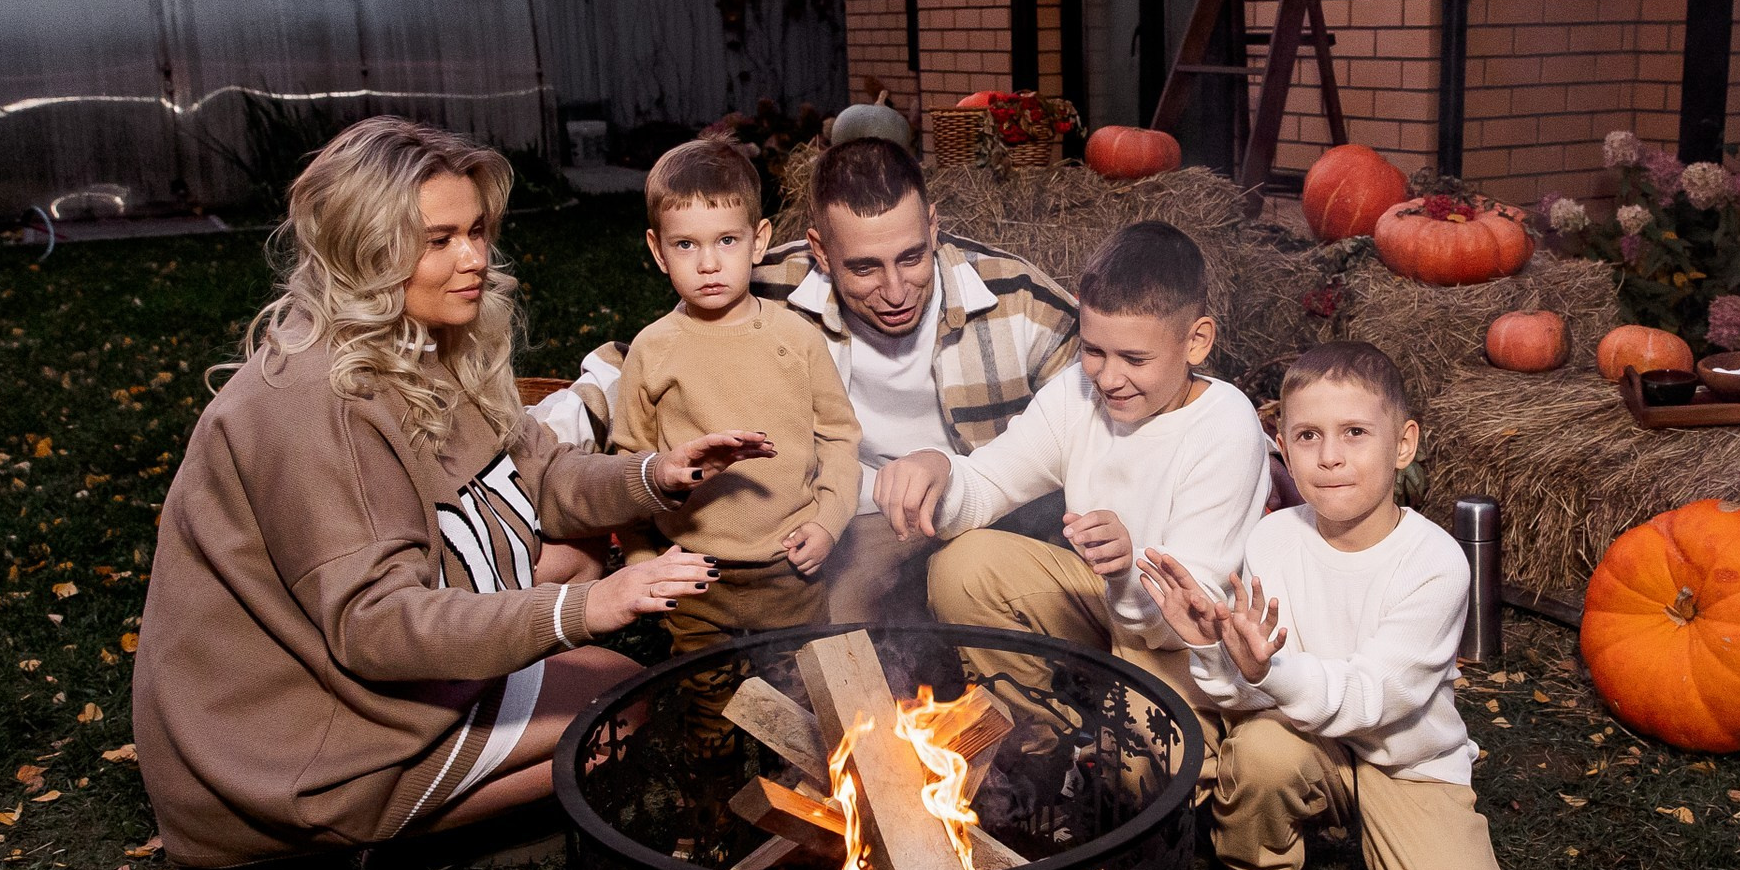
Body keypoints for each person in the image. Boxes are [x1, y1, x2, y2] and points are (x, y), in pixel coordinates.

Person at [134, 117, 773, 870]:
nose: (473, 257)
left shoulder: (425, 339)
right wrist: (581, 608)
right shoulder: (306, 404)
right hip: (292, 730)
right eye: (438, 239)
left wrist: (655, 473)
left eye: (475, 231)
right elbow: (373, 625)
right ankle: (310, 854)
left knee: (586, 601)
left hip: (361, 670)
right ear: (366, 248)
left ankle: (420, 815)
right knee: (614, 700)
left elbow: (543, 479)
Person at [531, 136, 1080, 623]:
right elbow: (638, 366)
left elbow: (1100, 410)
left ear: (933, 226)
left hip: (983, 509)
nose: (895, 290)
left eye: (912, 257)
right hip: (853, 517)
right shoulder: (764, 285)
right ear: (819, 250)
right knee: (827, 631)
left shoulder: (1023, 304)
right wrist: (532, 453)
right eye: (864, 267)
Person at [1139, 342, 1533, 870]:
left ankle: (1398, 849)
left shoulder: (1436, 562)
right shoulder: (1272, 537)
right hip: (1304, 743)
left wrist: (1269, 672)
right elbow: (1252, 697)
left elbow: (1370, 695)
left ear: (1403, 443)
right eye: (1307, 435)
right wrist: (1209, 645)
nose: (1329, 455)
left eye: (1354, 432)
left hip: (1405, 762)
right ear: (1283, 446)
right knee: (1263, 751)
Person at [872, 220, 1272, 719]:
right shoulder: (1075, 394)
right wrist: (938, 473)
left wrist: (1129, 566)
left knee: (1137, 767)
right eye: (1093, 350)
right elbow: (989, 483)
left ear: (1196, 342)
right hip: (1105, 604)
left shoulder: (1226, 426)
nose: (1108, 378)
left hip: (1187, 646)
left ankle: (1135, 742)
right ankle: (1036, 745)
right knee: (963, 566)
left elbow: (1184, 620)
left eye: (1134, 358)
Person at [609, 138, 861, 746]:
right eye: (686, 245)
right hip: (698, 577)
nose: (709, 263)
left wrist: (828, 521)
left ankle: (807, 825)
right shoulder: (653, 350)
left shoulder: (796, 340)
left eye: (726, 241)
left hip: (789, 571)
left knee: (801, 716)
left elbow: (841, 438)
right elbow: (628, 464)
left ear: (761, 238)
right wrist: (648, 564)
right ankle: (713, 824)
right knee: (710, 712)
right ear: (657, 251)